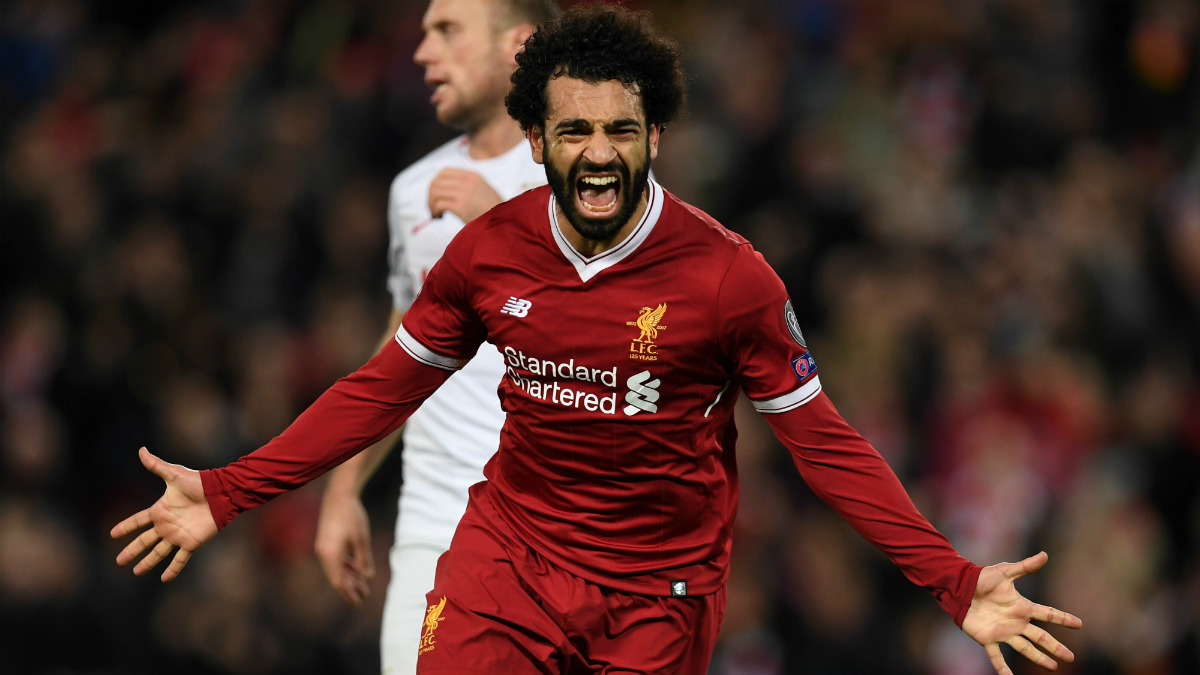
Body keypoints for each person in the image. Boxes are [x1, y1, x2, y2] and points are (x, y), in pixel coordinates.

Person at [112, 5, 1081, 674]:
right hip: (510, 562)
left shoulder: (729, 279)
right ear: (536, 140)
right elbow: (381, 389)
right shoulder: (491, 253)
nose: (600, 154)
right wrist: (232, 490)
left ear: (654, 136)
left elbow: (826, 445)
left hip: (658, 594)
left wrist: (955, 585)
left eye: (622, 130)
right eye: (575, 132)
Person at [311, 1, 557, 673]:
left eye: (447, 31)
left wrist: (503, 227)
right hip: (435, 528)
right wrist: (342, 489)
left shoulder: (595, 177)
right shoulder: (413, 190)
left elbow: (627, 340)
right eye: (423, 32)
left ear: (519, 45)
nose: (422, 52)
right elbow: (403, 351)